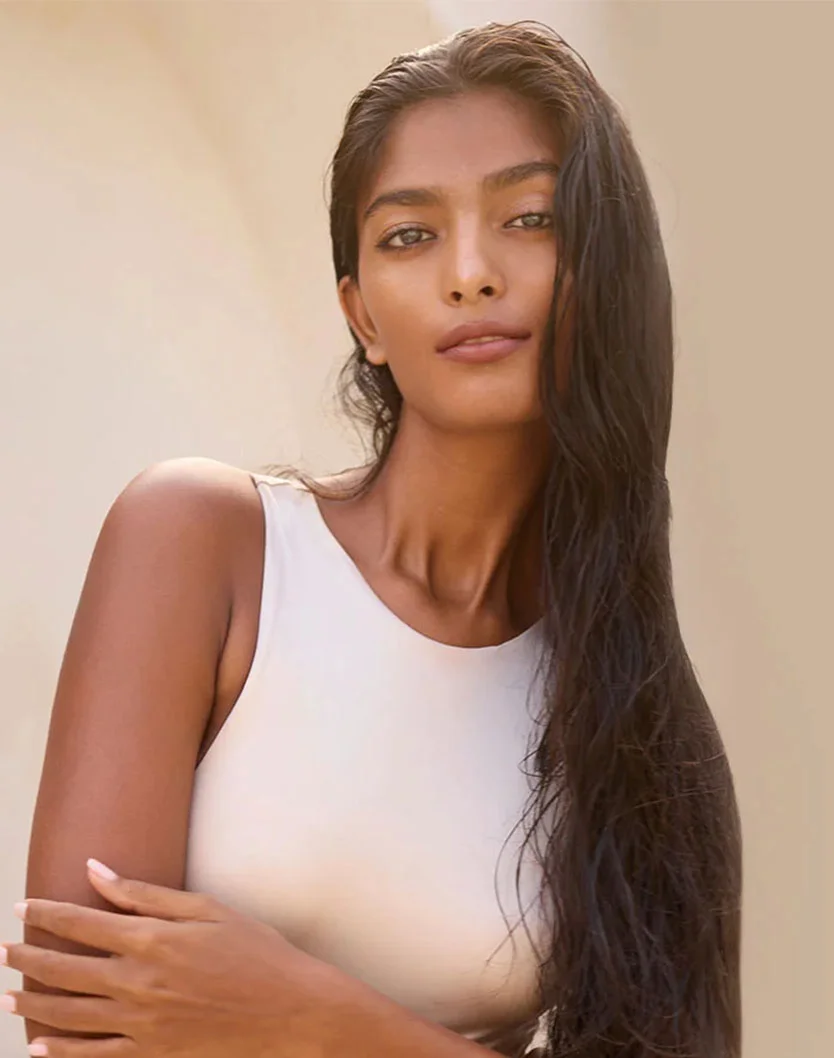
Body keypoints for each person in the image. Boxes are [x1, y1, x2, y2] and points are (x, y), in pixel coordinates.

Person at [12, 19, 742, 1058]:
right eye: (410, 235)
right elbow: (77, 1008)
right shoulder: (205, 544)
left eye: (529, 219)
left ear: (602, 271)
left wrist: (306, 1015)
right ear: (361, 316)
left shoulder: (633, 709)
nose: (470, 273)